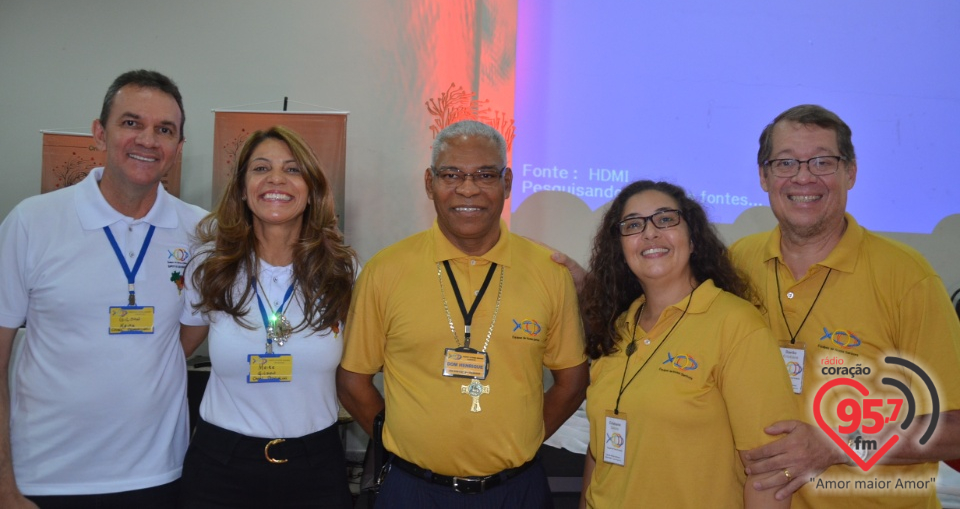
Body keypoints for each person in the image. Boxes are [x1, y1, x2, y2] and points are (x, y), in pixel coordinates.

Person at [337, 119, 588, 508]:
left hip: (515, 490)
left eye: (484, 175)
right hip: (412, 490)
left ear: (506, 183)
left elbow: (572, 381)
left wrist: (523, 436)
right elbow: (354, 382)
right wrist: (401, 439)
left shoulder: (547, 271)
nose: (467, 189)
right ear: (429, 183)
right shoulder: (385, 271)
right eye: (451, 174)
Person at [733, 104, 960, 508]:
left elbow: (955, 427)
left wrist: (836, 444)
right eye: (786, 163)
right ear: (764, 176)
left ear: (850, 172)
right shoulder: (737, 265)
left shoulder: (907, 278)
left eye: (822, 161)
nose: (804, 176)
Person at [0, 70, 207, 508]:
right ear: (99, 132)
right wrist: (4, 485)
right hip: (45, 480)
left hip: (158, 475)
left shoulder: (199, 231)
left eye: (164, 129)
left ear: (178, 148)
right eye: (131, 123)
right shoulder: (33, 222)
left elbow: (183, 337)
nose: (148, 140)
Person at [577, 180, 796, 508]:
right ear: (620, 250)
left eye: (665, 219)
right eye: (633, 225)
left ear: (693, 239)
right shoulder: (619, 327)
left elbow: (770, 472)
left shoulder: (735, 324)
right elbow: (600, 450)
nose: (650, 233)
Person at [180, 126, 356, 508]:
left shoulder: (344, 271)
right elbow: (173, 352)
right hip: (220, 467)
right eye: (261, 168)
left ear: (312, 191)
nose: (276, 179)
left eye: (293, 170)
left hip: (315, 467)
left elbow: (359, 367)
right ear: (242, 188)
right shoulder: (209, 265)